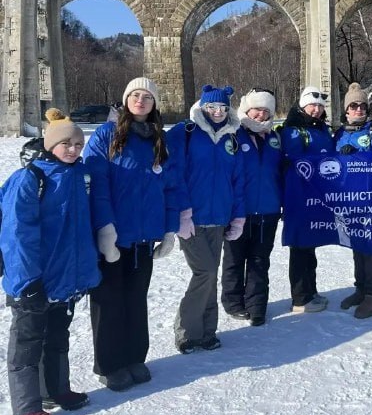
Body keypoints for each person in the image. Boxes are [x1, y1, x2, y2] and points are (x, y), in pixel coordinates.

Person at [1, 109, 101, 415]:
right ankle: (25, 408)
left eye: (77, 143)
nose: (72, 149)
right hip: (33, 280)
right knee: (27, 345)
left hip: (65, 279)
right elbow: (18, 234)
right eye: (66, 144)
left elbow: (80, 230)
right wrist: (27, 280)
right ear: (50, 144)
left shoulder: (79, 176)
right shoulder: (31, 179)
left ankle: (56, 390)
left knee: (57, 338)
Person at [84, 78, 179, 392]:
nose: (141, 100)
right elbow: (97, 186)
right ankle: (109, 364)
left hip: (143, 238)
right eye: (135, 95)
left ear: (154, 104)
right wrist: (105, 229)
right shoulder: (106, 135)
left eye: (147, 96)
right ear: (126, 100)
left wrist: (168, 229)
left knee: (136, 300)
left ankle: (135, 356)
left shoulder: (158, 140)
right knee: (108, 300)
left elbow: (169, 187)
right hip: (113, 237)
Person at [168, 85, 246, 354]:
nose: (217, 112)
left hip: (220, 218)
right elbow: (173, 174)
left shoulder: (232, 137)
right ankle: (187, 331)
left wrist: (238, 218)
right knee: (206, 272)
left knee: (210, 275)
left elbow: (237, 181)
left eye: (223, 108)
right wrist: (181, 212)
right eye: (212, 107)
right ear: (202, 107)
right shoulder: (186, 133)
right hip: (193, 217)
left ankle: (207, 332)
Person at [221, 88, 283, 327]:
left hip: (268, 210)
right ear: (247, 109)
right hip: (238, 211)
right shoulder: (233, 134)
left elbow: (284, 171)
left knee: (259, 261)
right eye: (257, 109)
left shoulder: (275, 138)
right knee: (234, 259)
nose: (261, 114)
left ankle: (257, 306)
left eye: (266, 110)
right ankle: (233, 302)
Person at [335, 83, 372, 319]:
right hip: (349, 199)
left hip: (371, 198)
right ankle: (360, 288)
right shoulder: (339, 135)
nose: (358, 110)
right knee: (357, 244)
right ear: (346, 111)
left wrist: (357, 155)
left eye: (362, 106)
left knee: (370, 245)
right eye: (353, 106)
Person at [281, 85, 335, 313]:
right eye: (312, 105)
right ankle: (301, 297)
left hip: (317, 195)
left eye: (320, 107)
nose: (316, 110)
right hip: (298, 195)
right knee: (300, 246)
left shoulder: (321, 129)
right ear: (303, 106)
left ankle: (310, 291)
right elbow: (292, 159)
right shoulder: (292, 130)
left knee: (309, 246)